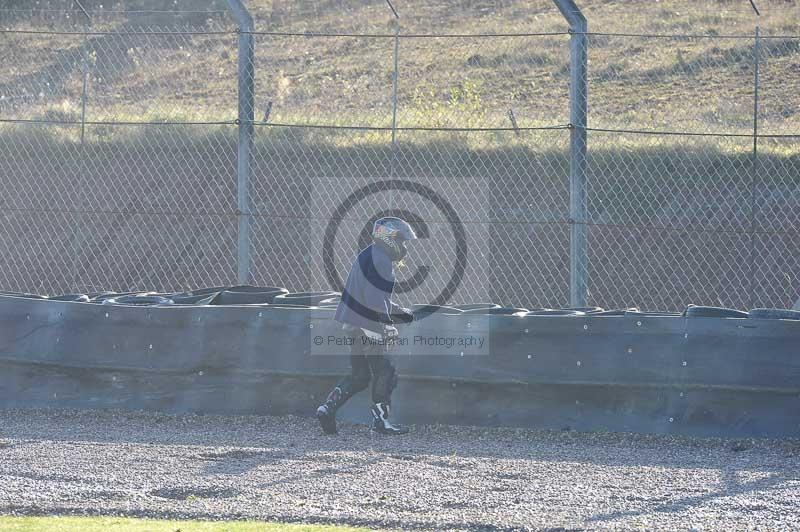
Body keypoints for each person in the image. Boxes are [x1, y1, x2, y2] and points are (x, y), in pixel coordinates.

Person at [316, 217, 416, 435]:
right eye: (401, 241)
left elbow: (374, 295)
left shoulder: (370, 254)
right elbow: (374, 298)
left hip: (353, 322)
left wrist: (400, 313)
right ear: (390, 239)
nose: (404, 246)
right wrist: (387, 324)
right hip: (368, 322)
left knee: (360, 376)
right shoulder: (382, 261)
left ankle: (327, 408)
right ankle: (381, 422)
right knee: (385, 372)